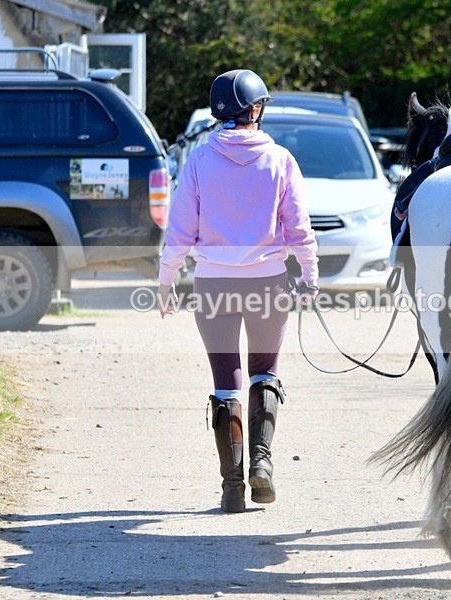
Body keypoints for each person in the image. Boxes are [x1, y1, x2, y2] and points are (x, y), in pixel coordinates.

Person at [156, 69, 319, 513]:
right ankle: (261, 467)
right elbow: (299, 229)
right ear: (254, 109)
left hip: (213, 285)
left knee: (225, 383)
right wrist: (309, 275)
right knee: (264, 373)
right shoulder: (281, 159)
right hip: (267, 283)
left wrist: (165, 281)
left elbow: (180, 232)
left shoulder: (199, 161)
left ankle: (231, 487)